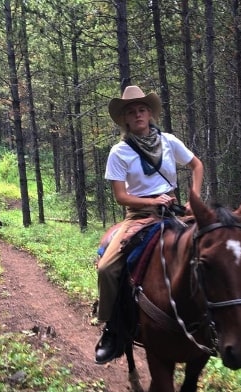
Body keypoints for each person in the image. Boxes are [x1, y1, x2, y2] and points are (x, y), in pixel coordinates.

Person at [94, 85, 204, 364]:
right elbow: (121, 196)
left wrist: (194, 199)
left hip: (173, 211)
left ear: (149, 113)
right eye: (132, 111)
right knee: (107, 268)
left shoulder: (169, 141)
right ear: (126, 120)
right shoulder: (119, 152)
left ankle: (211, 324)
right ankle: (112, 328)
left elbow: (197, 165)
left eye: (142, 109)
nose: (138, 114)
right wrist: (152, 202)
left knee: (211, 252)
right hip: (139, 214)